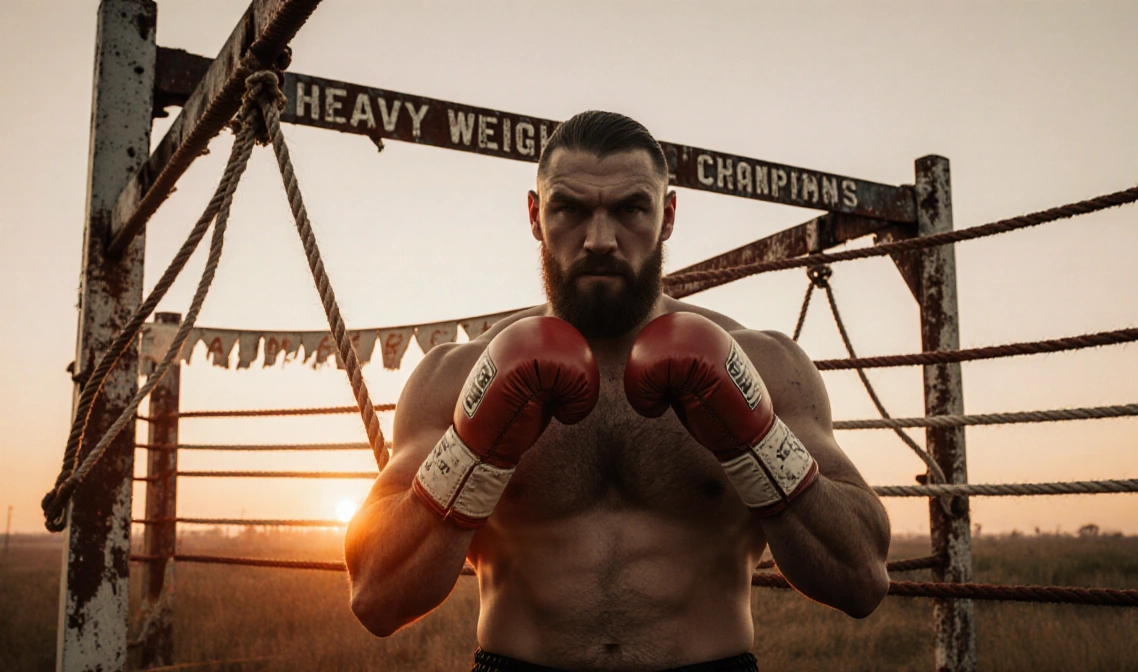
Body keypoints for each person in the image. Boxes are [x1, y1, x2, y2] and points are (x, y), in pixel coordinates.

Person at [345, 111, 891, 672]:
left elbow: (860, 577)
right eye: (570, 208)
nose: (600, 239)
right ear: (535, 216)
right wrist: (470, 452)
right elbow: (377, 597)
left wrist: (755, 437)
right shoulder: (455, 377)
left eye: (630, 208)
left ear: (668, 215)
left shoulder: (766, 365)